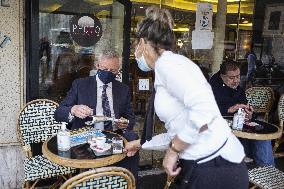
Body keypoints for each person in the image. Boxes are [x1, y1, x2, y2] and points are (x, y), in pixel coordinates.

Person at [125, 6, 248, 189]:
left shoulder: (171, 67)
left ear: (143, 43)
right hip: (207, 165)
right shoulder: (166, 67)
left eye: (136, 44)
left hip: (214, 168)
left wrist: (173, 151)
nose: (135, 50)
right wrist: (141, 144)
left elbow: (203, 114)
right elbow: (179, 130)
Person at [54, 48, 139, 182]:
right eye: (105, 69)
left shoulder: (123, 89)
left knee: (132, 137)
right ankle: (92, 182)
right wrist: (73, 109)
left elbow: (130, 117)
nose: (108, 73)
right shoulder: (80, 85)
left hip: (114, 135)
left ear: (118, 70)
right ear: (97, 65)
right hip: (87, 136)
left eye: (112, 71)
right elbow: (58, 113)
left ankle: (127, 182)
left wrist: (125, 123)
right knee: (88, 154)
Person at [209, 60, 275, 166]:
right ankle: (264, 171)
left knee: (263, 137)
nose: (236, 81)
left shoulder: (238, 90)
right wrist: (229, 109)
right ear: (222, 76)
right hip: (220, 135)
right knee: (259, 143)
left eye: (238, 76)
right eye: (232, 78)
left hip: (240, 133)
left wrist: (250, 114)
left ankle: (267, 173)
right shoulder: (210, 89)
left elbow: (247, 108)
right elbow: (205, 112)